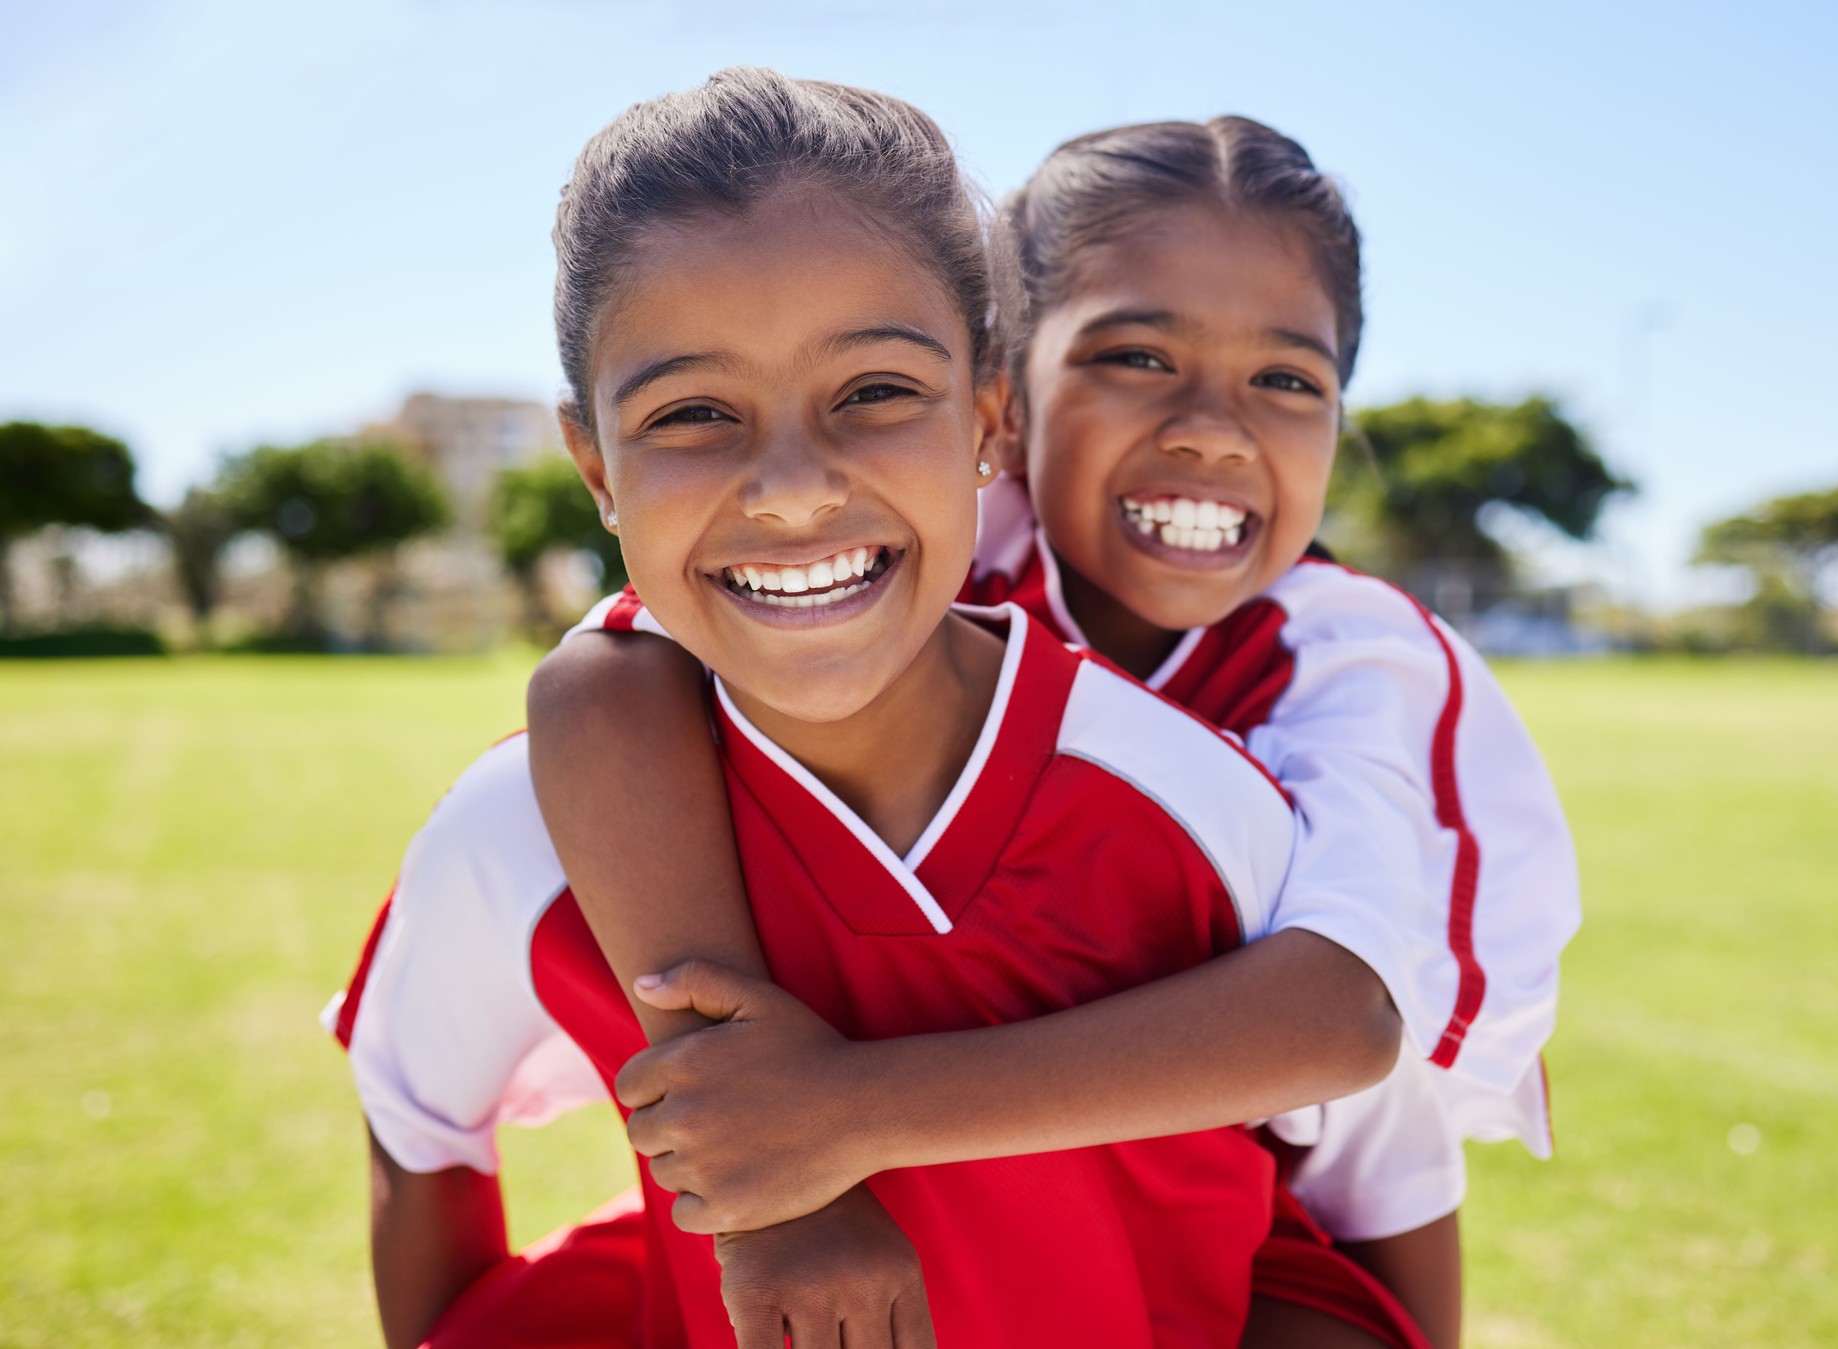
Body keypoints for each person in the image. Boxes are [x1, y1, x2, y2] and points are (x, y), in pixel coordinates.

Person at [330, 69, 1413, 1349]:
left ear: (989, 418)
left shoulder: (1202, 804)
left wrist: (832, 1120)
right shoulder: (525, 831)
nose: (791, 489)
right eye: (691, 414)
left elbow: (1376, 1161)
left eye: (877, 391)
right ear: (593, 469)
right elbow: (417, 1127)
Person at [529, 115, 1581, 1349]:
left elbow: (1344, 1020)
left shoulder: (1350, 658)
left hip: (1278, 1207)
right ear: (1003, 411)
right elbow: (601, 677)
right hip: (982, 1196)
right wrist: (760, 1150)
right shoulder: (936, 542)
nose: (1212, 426)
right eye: (1136, 356)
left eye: (1288, 378)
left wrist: (838, 1118)